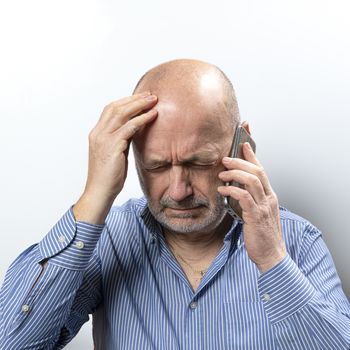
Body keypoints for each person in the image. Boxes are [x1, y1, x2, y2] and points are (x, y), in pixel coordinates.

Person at [0, 59, 349, 350]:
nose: (179, 191)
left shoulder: (296, 240)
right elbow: (13, 341)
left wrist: (273, 261)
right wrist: (94, 196)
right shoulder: (110, 240)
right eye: (156, 167)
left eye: (198, 163)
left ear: (242, 145)